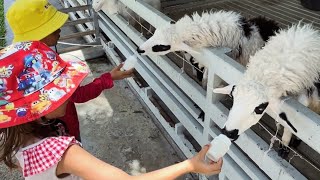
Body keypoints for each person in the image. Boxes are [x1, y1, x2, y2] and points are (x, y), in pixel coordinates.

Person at [0, 41, 223, 179]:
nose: (69, 92)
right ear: (38, 105)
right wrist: (190, 165)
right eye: (60, 90)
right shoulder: (62, 152)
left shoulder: (16, 138)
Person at [6, 0, 134, 140]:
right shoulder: (47, 67)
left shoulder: (22, 65)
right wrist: (108, 78)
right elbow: (77, 95)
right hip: (64, 132)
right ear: (40, 34)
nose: (60, 28)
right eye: (53, 27)